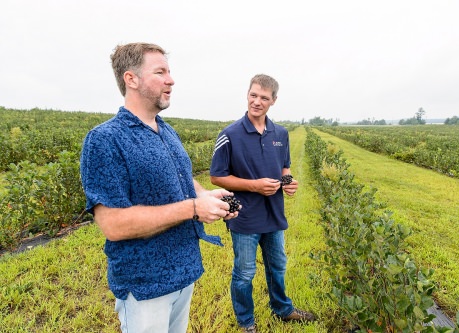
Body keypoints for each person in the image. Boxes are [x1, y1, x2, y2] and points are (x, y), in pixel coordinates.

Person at [80, 42, 238, 333]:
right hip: (145, 285)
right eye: (160, 72)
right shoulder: (105, 140)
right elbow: (113, 224)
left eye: (170, 71)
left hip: (183, 271)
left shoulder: (164, 129)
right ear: (132, 79)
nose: (171, 79)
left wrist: (204, 195)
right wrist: (192, 208)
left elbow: (181, 177)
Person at [210, 74, 316, 333]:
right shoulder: (230, 134)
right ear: (247, 94)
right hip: (244, 216)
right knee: (245, 273)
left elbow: (284, 167)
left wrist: (288, 182)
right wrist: (255, 185)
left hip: (274, 214)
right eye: (253, 95)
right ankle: (246, 322)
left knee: (277, 265)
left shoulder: (280, 133)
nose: (257, 102)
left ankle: (283, 309)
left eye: (264, 98)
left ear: (273, 101)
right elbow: (216, 176)